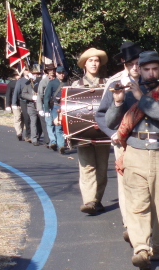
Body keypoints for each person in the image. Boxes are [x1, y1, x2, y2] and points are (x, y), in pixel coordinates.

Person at [105, 51, 159, 269]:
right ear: (140, 70)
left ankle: (158, 245)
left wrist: (141, 98)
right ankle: (140, 248)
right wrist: (118, 102)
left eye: (154, 69)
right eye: (146, 69)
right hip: (135, 151)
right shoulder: (129, 92)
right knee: (137, 203)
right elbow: (111, 122)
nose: (150, 73)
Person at [95, 41, 143, 243]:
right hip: (122, 142)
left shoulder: (151, 79)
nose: (135, 67)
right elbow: (101, 115)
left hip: (146, 142)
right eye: (131, 63)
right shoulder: (114, 82)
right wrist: (112, 133)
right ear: (124, 63)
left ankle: (143, 223)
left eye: (138, 63)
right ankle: (129, 224)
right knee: (125, 184)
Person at [72, 47, 110, 214]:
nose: (94, 64)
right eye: (90, 61)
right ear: (84, 64)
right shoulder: (76, 85)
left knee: (101, 169)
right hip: (83, 134)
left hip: (103, 134)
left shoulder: (107, 84)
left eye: (96, 61)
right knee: (87, 167)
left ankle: (97, 200)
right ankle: (89, 201)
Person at [43, 66, 68, 154]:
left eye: (63, 73)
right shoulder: (52, 83)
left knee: (63, 126)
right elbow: (46, 97)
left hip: (64, 107)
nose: (62, 75)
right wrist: (46, 110)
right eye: (60, 73)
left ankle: (60, 144)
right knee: (58, 126)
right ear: (56, 73)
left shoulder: (67, 83)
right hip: (56, 107)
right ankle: (61, 145)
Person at [37, 64, 56, 149]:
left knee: (57, 123)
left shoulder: (58, 80)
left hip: (56, 105)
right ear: (47, 72)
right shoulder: (43, 81)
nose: (52, 72)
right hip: (47, 104)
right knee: (49, 123)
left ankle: (58, 141)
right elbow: (40, 95)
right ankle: (52, 141)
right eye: (50, 70)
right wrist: (40, 108)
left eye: (53, 70)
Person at [20, 73, 41, 146]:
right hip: (31, 105)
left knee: (40, 123)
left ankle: (38, 136)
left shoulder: (41, 82)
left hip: (40, 105)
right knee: (33, 121)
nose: (36, 75)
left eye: (37, 74)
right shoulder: (27, 84)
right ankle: (34, 139)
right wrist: (31, 97)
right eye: (34, 74)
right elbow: (23, 94)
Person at [12, 68, 32, 142]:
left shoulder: (33, 80)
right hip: (23, 102)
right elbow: (16, 92)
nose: (27, 71)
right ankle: (27, 135)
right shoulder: (20, 81)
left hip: (33, 102)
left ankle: (33, 135)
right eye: (26, 70)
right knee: (26, 118)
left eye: (28, 70)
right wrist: (14, 103)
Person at [5, 72, 23, 140]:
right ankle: (19, 133)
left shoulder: (25, 82)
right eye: (17, 75)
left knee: (23, 119)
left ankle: (21, 131)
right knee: (17, 118)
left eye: (20, 74)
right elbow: (8, 94)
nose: (19, 76)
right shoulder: (11, 83)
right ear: (15, 76)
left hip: (23, 103)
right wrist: (8, 105)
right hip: (15, 104)